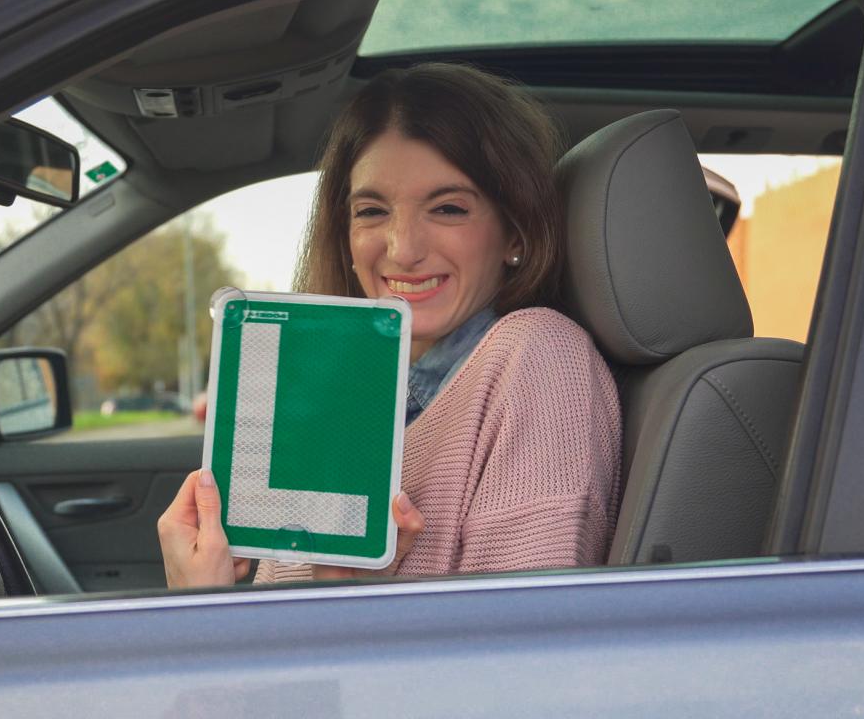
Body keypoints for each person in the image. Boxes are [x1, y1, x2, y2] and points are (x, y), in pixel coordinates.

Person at [159, 63, 621, 588]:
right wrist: (202, 599)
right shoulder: (334, 400)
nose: (402, 250)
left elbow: (524, 650)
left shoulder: (539, 357)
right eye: (372, 212)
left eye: (448, 209)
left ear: (515, 234)